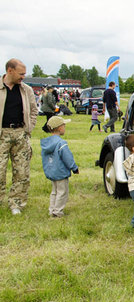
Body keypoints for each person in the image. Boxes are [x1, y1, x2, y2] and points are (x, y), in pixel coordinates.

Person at [0, 58, 38, 215]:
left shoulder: (26, 90)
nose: (23, 77)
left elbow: (34, 110)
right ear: (10, 70)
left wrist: (28, 129)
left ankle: (17, 203)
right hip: (2, 134)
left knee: (22, 172)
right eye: (21, 74)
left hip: (20, 134)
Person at [40, 116, 79, 217]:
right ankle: (57, 212)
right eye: (64, 125)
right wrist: (74, 168)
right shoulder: (61, 143)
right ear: (59, 128)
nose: (65, 127)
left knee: (54, 192)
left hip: (52, 172)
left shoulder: (46, 143)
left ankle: (51, 209)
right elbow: (67, 157)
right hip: (61, 172)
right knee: (62, 192)